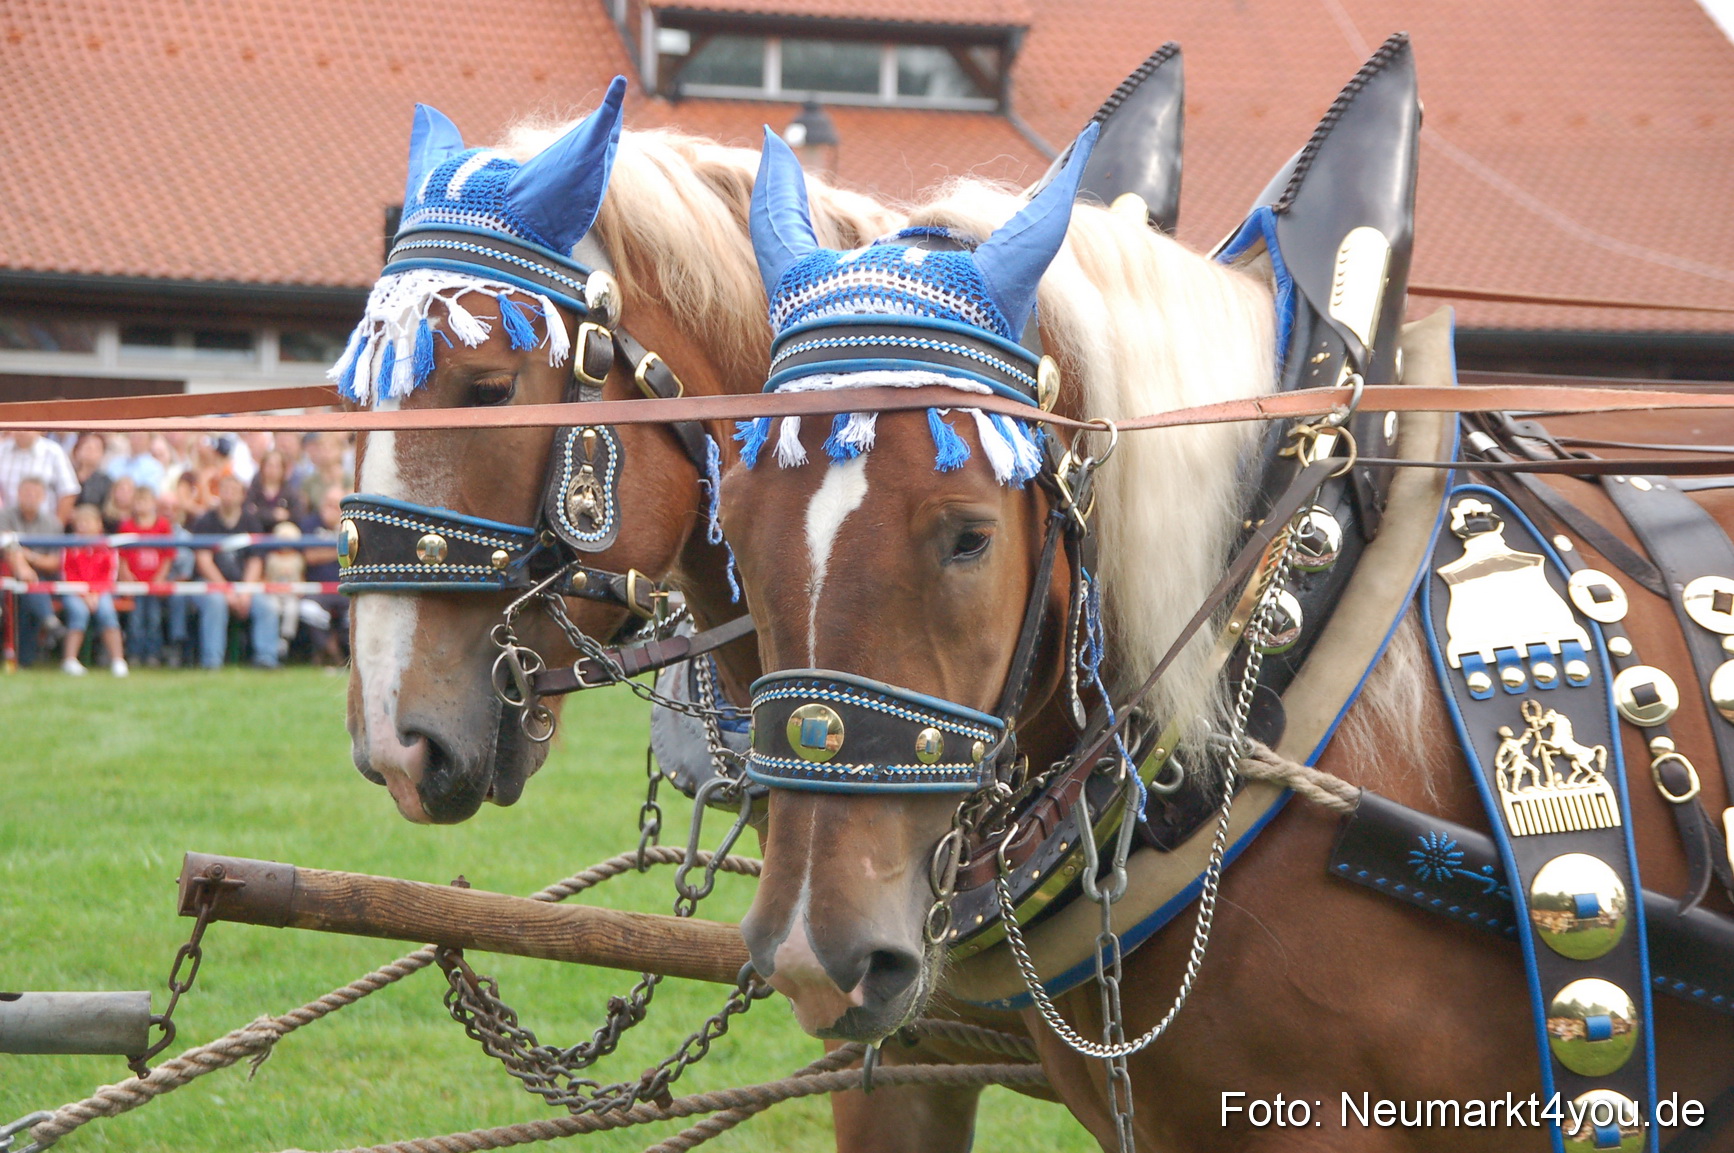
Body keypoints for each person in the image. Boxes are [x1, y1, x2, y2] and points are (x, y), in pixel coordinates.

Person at [190, 473, 277, 669]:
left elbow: (256, 561)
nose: (229, 495)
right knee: (215, 602)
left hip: (242, 585)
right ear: (218, 493)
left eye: (233, 491)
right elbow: (203, 561)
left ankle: (267, 658)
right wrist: (225, 589)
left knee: (267, 606)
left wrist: (245, 591)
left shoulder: (251, 522)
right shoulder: (205, 521)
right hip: (210, 584)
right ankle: (212, 661)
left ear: (242, 496)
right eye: (225, 490)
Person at [0, 474, 63, 667]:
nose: (30, 497)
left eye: (35, 493)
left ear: (43, 497)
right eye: (26, 492)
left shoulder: (53, 523)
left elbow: (55, 561)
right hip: (7, 574)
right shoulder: (5, 516)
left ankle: (25, 658)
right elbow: (6, 547)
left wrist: (29, 557)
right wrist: (22, 564)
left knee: (30, 590)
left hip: (39, 575)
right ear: (18, 494)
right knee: (29, 586)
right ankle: (50, 622)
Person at [118, 485, 183, 667]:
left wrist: (160, 577)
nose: (141, 505)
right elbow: (122, 555)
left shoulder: (162, 525)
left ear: (153, 503)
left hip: (154, 582)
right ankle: (135, 653)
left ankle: (153, 653)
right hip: (135, 582)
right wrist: (126, 575)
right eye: (138, 501)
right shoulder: (127, 526)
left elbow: (168, 555)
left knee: (154, 618)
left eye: (145, 501)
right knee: (135, 619)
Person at [59, 503, 127, 676]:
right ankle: (70, 660)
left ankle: (118, 660)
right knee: (78, 612)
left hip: (101, 591)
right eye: (80, 522)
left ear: (99, 524)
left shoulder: (108, 545)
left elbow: (109, 573)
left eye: (88, 522)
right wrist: (84, 593)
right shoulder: (69, 545)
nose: (84, 526)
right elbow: (67, 573)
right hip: (74, 591)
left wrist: (95, 593)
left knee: (107, 612)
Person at [299, 485, 348, 666]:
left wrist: (338, 529)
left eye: (336, 505)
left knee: (354, 614)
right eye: (328, 504)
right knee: (309, 609)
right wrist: (340, 549)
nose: (331, 509)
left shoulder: (350, 525)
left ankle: (346, 655)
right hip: (316, 588)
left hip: (345, 588)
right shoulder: (310, 523)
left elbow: (356, 555)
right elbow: (310, 556)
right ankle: (330, 651)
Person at [0, 431, 79, 519]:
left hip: (44, 526)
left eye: (26, 427)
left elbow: (68, 491)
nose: (22, 431)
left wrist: (57, 527)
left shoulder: (53, 452)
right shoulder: (1, 450)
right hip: (5, 525)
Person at [246, 449, 306, 527]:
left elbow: (298, 514)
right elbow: (249, 510)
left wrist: (287, 516)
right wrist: (272, 514)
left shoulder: (290, 491)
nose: (272, 470)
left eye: (277, 466)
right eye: (269, 466)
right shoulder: (254, 489)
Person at [70, 433, 114, 513]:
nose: (91, 452)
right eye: (87, 447)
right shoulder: (67, 475)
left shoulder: (106, 482)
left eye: (96, 449)